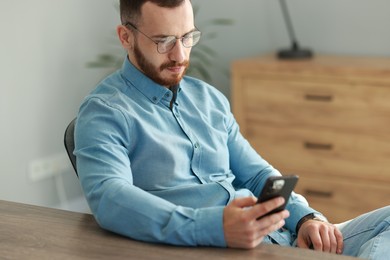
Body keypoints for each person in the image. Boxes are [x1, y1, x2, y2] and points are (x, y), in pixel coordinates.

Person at [74, 0, 390, 258]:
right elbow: (109, 196)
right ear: (125, 37)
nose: (180, 55)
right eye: (163, 41)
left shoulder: (208, 99)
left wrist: (305, 217)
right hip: (215, 249)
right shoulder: (105, 111)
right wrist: (213, 227)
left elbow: (255, 175)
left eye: (187, 37)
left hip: (281, 239)